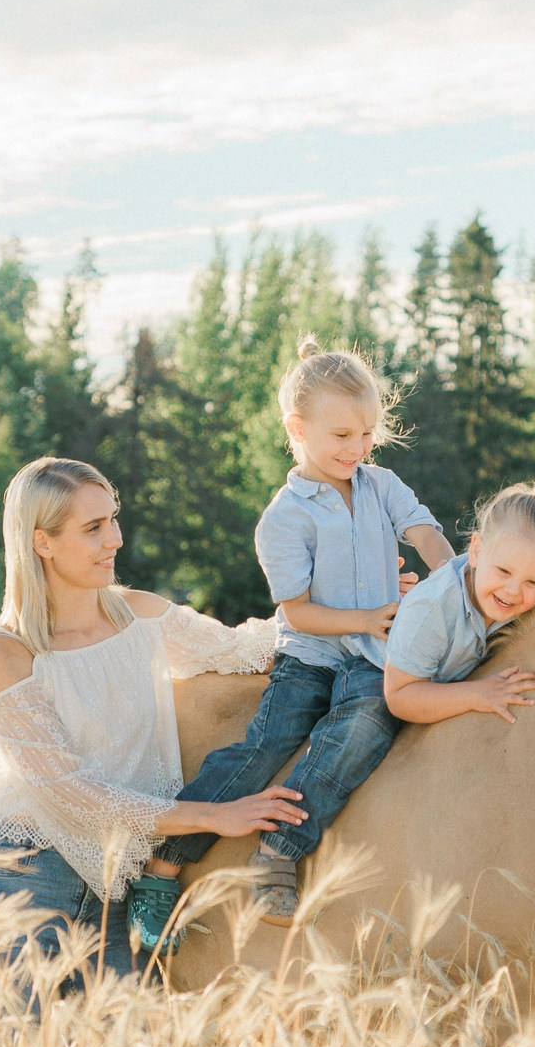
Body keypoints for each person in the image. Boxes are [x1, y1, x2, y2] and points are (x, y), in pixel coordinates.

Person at [0, 456, 308, 1018]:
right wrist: (214, 815)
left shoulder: (142, 617)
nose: (114, 538)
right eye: (92, 529)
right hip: (19, 881)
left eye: (113, 519)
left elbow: (251, 648)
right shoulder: (8, 654)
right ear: (42, 541)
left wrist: (383, 612)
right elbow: (75, 797)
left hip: (120, 885)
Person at [129, 337, 454, 950]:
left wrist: (452, 580)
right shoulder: (282, 517)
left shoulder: (381, 484)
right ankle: (165, 861)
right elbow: (299, 613)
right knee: (265, 745)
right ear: (297, 430)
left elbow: (425, 531)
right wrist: (367, 616)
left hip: (372, 652)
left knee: (365, 721)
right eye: (341, 436)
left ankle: (282, 846)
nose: (356, 449)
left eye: (366, 435)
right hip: (312, 652)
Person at [383, 469, 535, 727]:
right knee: (362, 730)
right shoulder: (432, 607)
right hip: (383, 674)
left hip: (443, 677)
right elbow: (399, 696)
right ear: (476, 550)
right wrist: (475, 694)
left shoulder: (525, 603)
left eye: (532, 582)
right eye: (504, 571)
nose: (512, 591)